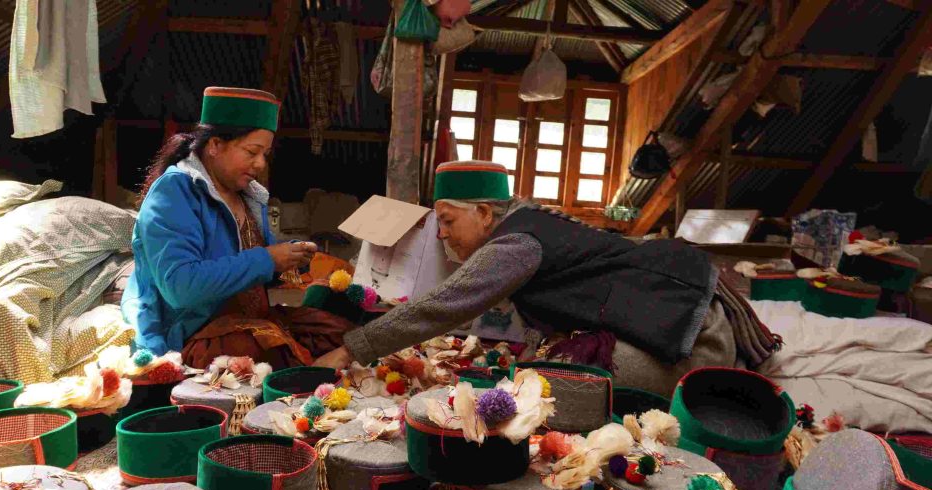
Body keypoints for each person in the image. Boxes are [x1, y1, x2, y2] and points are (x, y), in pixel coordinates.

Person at [314, 160, 779, 395]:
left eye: (448, 220)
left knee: (552, 384)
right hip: (688, 313)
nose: (442, 235)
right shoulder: (528, 227)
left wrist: (351, 347)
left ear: (482, 212)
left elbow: (445, 304)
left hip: (696, 339)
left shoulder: (516, 244)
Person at [122, 87, 356, 369]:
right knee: (264, 354)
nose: (260, 164)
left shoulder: (248, 196)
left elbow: (257, 273)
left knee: (345, 333)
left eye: (265, 154)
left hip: (252, 323)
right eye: (252, 152)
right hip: (194, 335)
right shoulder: (175, 192)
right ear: (215, 145)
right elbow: (180, 288)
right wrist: (267, 259)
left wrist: (290, 262)